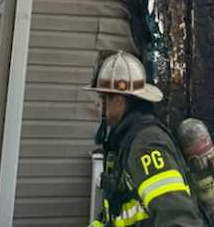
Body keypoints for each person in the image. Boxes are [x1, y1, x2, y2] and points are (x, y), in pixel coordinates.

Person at [84, 51, 203, 227]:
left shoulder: (146, 145)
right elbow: (115, 214)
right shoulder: (124, 141)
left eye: (102, 98)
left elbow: (178, 219)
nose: (98, 105)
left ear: (118, 100)